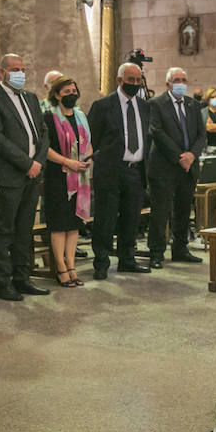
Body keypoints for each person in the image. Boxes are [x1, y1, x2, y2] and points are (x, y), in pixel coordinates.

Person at [0, 53, 51, 301]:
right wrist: (26, 164)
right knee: (5, 230)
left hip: (32, 175)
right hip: (9, 175)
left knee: (24, 230)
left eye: (23, 69)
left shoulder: (30, 98)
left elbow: (43, 133)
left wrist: (38, 163)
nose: (20, 73)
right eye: (15, 69)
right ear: (1, 73)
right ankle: (3, 283)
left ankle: (22, 278)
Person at [86, 62, 152, 280]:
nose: (134, 84)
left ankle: (127, 259)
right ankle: (101, 262)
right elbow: (92, 139)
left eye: (137, 80)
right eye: (130, 80)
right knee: (106, 218)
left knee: (131, 218)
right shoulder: (103, 105)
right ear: (119, 80)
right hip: (111, 170)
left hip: (135, 171)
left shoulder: (144, 106)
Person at [147, 68, 206, 268]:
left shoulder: (193, 105)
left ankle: (180, 249)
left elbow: (201, 135)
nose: (180, 83)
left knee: (183, 210)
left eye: (183, 80)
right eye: (176, 80)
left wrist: (191, 155)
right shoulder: (156, 104)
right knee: (160, 211)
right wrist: (179, 156)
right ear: (168, 84)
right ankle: (156, 252)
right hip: (164, 165)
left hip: (188, 167)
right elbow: (156, 131)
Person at [42, 76, 92, 286]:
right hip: (57, 176)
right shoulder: (48, 117)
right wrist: (67, 162)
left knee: (73, 225)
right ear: (56, 95)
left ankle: (71, 266)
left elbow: (88, 142)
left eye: (74, 91)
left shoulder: (81, 115)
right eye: (66, 92)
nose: (71, 94)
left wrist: (86, 159)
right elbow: (44, 148)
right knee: (59, 225)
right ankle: (60, 268)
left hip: (79, 177)